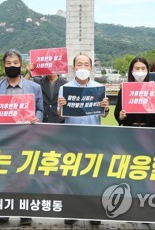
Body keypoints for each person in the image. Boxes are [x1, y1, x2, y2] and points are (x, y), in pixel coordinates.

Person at [0, 49, 43, 226]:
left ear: (21, 65)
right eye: (8, 64)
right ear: (4, 66)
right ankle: (3, 212)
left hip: (26, 137)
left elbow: (40, 110)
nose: (12, 66)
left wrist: (37, 118)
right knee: (3, 175)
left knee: (25, 173)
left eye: (15, 63)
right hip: (3, 138)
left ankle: (25, 213)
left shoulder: (34, 87)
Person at [57, 54, 109, 226]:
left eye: (86, 64)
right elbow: (60, 114)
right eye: (79, 64)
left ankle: (94, 211)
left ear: (91, 67)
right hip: (71, 138)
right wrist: (62, 106)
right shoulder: (65, 88)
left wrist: (106, 108)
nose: (83, 67)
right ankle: (72, 210)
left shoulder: (98, 88)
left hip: (93, 138)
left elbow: (104, 114)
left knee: (94, 176)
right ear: (73, 68)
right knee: (72, 175)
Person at [114, 57, 155, 127]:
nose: (140, 71)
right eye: (137, 68)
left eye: (143, 68)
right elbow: (118, 115)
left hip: (150, 130)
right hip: (129, 130)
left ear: (147, 70)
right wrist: (121, 116)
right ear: (131, 70)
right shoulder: (124, 90)